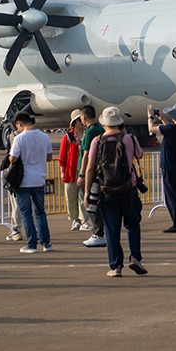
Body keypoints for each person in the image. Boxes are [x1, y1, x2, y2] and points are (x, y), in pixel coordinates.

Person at [83, 106, 147, 277]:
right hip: (128, 188)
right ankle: (135, 257)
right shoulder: (129, 139)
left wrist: (87, 192)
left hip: (107, 190)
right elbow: (139, 156)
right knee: (132, 225)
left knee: (112, 230)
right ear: (120, 123)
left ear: (104, 123)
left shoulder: (97, 141)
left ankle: (115, 266)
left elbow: (90, 168)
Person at [10, 112, 53, 254]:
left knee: (26, 213)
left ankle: (32, 244)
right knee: (40, 212)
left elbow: (13, 159)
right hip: (39, 179)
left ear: (19, 124)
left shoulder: (19, 138)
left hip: (23, 181)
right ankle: (46, 243)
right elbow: (49, 157)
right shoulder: (45, 137)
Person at [151, 102, 176, 232]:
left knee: (171, 196)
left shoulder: (173, 129)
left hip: (169, 165)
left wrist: (150, 117)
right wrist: (162, 118)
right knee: (175, 194)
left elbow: (151, 129)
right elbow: (170, 128)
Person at [78, 105, 107, 247]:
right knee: (100, 203)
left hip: (92, 173)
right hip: (102, 171)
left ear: (83, 117)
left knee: (90, 203)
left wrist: (82, 174)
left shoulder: (90, 132)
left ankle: (98, 233)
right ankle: (100, 230)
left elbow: (86, 155)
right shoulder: (101, 129)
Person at [60, 109, 87, 232]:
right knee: (71, 195)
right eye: (78, 120)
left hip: (83, 169)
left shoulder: (86, 134)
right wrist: (62, 170)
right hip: (71, 170)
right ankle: (74, 220)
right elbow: (62, 156)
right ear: (74, 122)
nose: (81, 122)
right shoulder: (67, 137)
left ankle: (84, 220)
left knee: (83, 195)